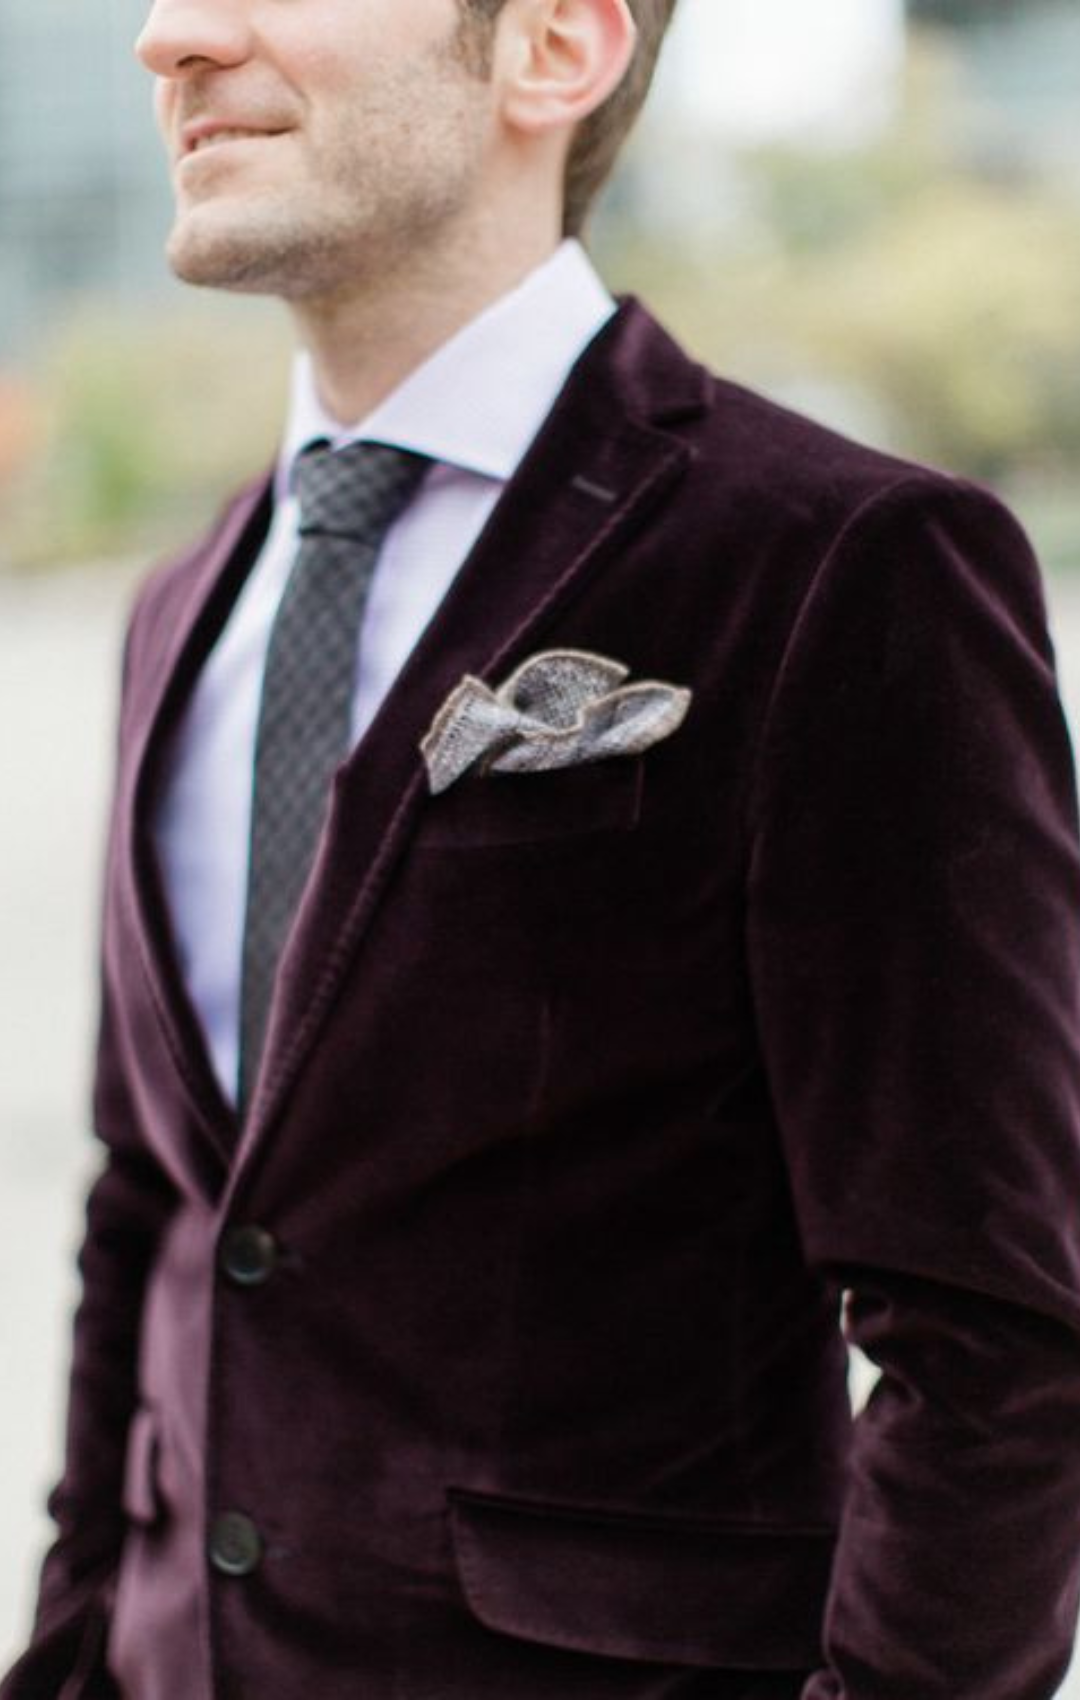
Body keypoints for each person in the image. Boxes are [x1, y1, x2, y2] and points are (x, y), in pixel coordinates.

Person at [6, 0, 1080, 1695]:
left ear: (554, 47)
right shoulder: (180, 605)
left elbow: (1003, 1339)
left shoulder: (838, 566)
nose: (170, 37)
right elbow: (154, 1207)